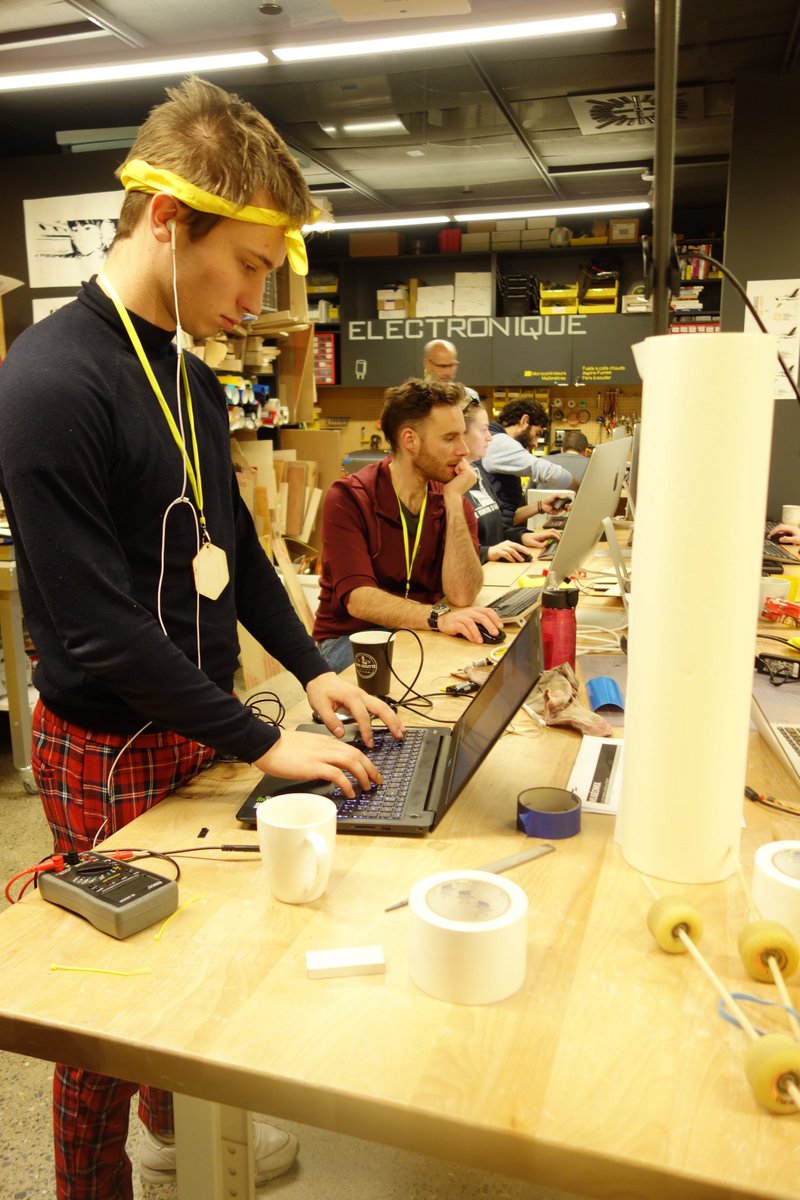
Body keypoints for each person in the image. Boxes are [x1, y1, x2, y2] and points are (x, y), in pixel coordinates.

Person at [0, 77, 402, 1200]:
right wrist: (263, 742)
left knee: (198, 957)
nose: (253, 297)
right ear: (167, 223)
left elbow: (237, 558)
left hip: (194, 722)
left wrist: (317, 674)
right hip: (106, 743)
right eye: (248, 266)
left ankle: (180, 1136)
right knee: (104, 1007)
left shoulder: (184, 372)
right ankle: (93, 1188)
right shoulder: (45, 382)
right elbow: (94, 622)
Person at [312, 378, 504, 671]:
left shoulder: (451, 497)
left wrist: (453, 501)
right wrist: (438, 617)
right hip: (351, 638)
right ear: (410, 440)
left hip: (422, 629)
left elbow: (463, 594)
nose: (464, 449)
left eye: (463, 436)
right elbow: (359, 600)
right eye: (450, 438)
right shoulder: (349, 498)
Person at [461, 396, 560, 563]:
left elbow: (498, 528)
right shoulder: (443, 484)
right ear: (460, 433)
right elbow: (444, 552)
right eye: (483, 429)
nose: (490, 437)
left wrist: (522, 537)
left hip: (493, 572)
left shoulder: (477, 472)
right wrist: (487, 553)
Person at [482, 398, 577, 529]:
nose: (535, 444)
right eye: (537, 434)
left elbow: (504, 519)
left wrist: (540, 506)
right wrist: (579, 487)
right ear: (524, 421)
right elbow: (546, 471)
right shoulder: (498, 441)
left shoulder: (496, 442)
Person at [422, 337, 480, 403]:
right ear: (427, 364)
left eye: (452, 365)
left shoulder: (470, 397)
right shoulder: (414, 399)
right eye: (442, 366)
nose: (447, 373)